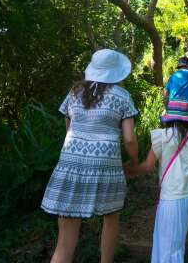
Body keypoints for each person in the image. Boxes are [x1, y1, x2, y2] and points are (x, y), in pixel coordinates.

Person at [41, 49, 139, 263]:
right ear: (116, 73)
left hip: (71, 163)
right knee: (111, 218)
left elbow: (69, 128)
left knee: (65, 241)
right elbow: (130, 139)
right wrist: (133, 162)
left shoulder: (74, 92)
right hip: (107, 165)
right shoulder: (122, 96)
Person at [126, 114, 188, 263]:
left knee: (169, 247)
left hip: (173, 198)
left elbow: (148, 166)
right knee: (175, 241)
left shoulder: (163, 136)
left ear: (169, 118)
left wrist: (128, 171)